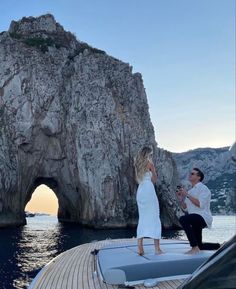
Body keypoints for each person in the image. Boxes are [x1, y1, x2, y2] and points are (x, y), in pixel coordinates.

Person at [176, 168, 221, 254]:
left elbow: (200, 204)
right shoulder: (190, 191)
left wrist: (187, 195)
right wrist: (181, 198)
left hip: (202, 217)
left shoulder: (203, 189)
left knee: (183, 219)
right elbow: (185, 208)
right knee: (200, 245)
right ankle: (220, 246)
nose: (190, 174)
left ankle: (194, 247)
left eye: (192, 173)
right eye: (190, 173)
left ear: (199, 177)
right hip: (194, 219)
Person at [134, 146, 163, 256]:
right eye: (151, 154)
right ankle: (157, 249)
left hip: (141, 191)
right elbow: (154, 179)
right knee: (155, 217)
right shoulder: (150, 164)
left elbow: (137, 180)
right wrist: (154, 170)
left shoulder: (137, 165)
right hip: (149, 191)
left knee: (142, 218)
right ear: (148, 154)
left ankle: (140, 248)